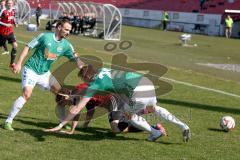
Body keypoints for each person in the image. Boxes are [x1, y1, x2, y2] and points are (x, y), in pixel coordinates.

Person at [45, 65, 191, 142]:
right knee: (154, 108)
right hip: (146, 82)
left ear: (88, 76)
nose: (85, 83)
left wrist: (60, 124)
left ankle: (155, 132)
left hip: (137, 91)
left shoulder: (95, 83)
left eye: (85, 80)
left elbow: (78, 107)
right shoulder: (102, 70)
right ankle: (183, 125)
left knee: (128, 116)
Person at [3, 19, 84, 131]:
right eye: (66, 29)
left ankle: (62, 121)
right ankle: (8, 121)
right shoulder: (45, 37)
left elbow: (76, 59)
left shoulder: (66, 45)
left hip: (45, 73)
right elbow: (28, 47)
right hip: (31, 69)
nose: (68, 32)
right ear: (59, 27)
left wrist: (84, 69)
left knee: (62, 95)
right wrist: (19, 64)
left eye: (69, 30)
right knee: (26, 95)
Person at [55, 83, 167, 135]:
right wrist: (85, 126)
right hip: (112, 100)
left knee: (116, 129)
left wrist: (72, 130)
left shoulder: (77, 94)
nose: (64, 105)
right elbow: (91, 109)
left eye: (63, 103)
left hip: (113, 100)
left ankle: (154, 127)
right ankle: (142, 113)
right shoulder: (77, 89)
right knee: (121, 123)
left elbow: (76, 113)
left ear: (65, 97)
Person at [0, 0, 17, 67]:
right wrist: (6, 24)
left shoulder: (13, 11)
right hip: (2, 33)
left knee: (15, 45)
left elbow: (12, 19)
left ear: (12, 4)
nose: (10, 4)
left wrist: (15, 23)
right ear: (6, 4)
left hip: (10, 32)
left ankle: (12, 63)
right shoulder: (3, 11)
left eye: (11, 3)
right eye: (8, 3)